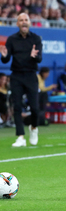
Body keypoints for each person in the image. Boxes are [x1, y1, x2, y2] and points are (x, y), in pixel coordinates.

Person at [0, 13, 41, 147]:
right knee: (17, 107)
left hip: (30, 75)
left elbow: (40, 58)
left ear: (29, 23)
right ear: (17, 24)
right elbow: (6, 60)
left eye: (26, 20)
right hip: (16, 75)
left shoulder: (36, 38)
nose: (24, 22)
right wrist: (4, 55)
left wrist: (34, 56)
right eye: (21, 20)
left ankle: (34, 128)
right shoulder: (11, 39)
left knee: (35, 108)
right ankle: (20, 137)